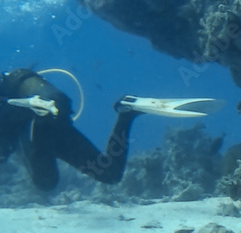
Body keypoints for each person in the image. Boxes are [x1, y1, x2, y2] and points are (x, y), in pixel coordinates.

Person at [0, 68, 224, 191]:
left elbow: (57, 100)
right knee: (110, 174)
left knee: (46, 182)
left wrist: (42, 108)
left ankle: (40, 112)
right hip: (42, 129)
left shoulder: (15, 81)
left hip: (44, 118)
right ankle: (127, 113)